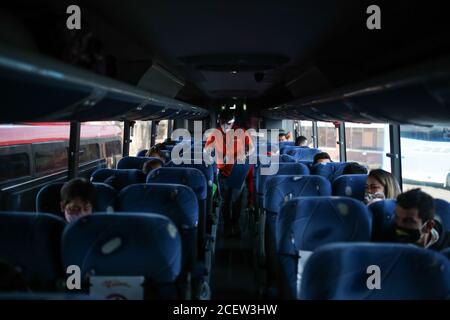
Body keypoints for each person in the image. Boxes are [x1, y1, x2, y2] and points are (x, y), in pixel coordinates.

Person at [204, 109, 255, 237]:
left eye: (228, 124)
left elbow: (252, 148)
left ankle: (236, 223)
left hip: (238, 170)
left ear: (233, 123)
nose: (225, 126)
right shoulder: (215, 133)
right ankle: (227, 225)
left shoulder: (242, 132)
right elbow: (207, 149)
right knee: (225, 201)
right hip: (223, 172)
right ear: (219, 121)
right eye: (223, 123)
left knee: (237, 200)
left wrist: (245, 153)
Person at [384, 189, 450, 250]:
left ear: (429, 226)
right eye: (396, 217)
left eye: (408, 221)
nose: (399, 224)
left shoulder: (446, 245)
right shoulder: (388, 239)